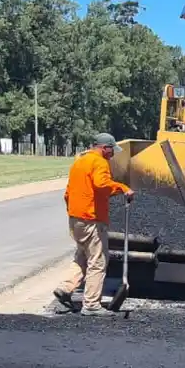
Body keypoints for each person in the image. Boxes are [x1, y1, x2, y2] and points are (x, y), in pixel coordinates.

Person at [54, 133, 133, 314]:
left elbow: (68, 193)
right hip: (91, 219)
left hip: (76, 219)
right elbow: (101, 184)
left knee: (82, 256)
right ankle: (91, 305)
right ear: (105, 148)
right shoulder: (99, 162)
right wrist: (123, 188)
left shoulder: (79, 162)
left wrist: (74, 213)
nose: (113, 153)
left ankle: (65, 288)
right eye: (112, 149)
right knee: (98, 261)